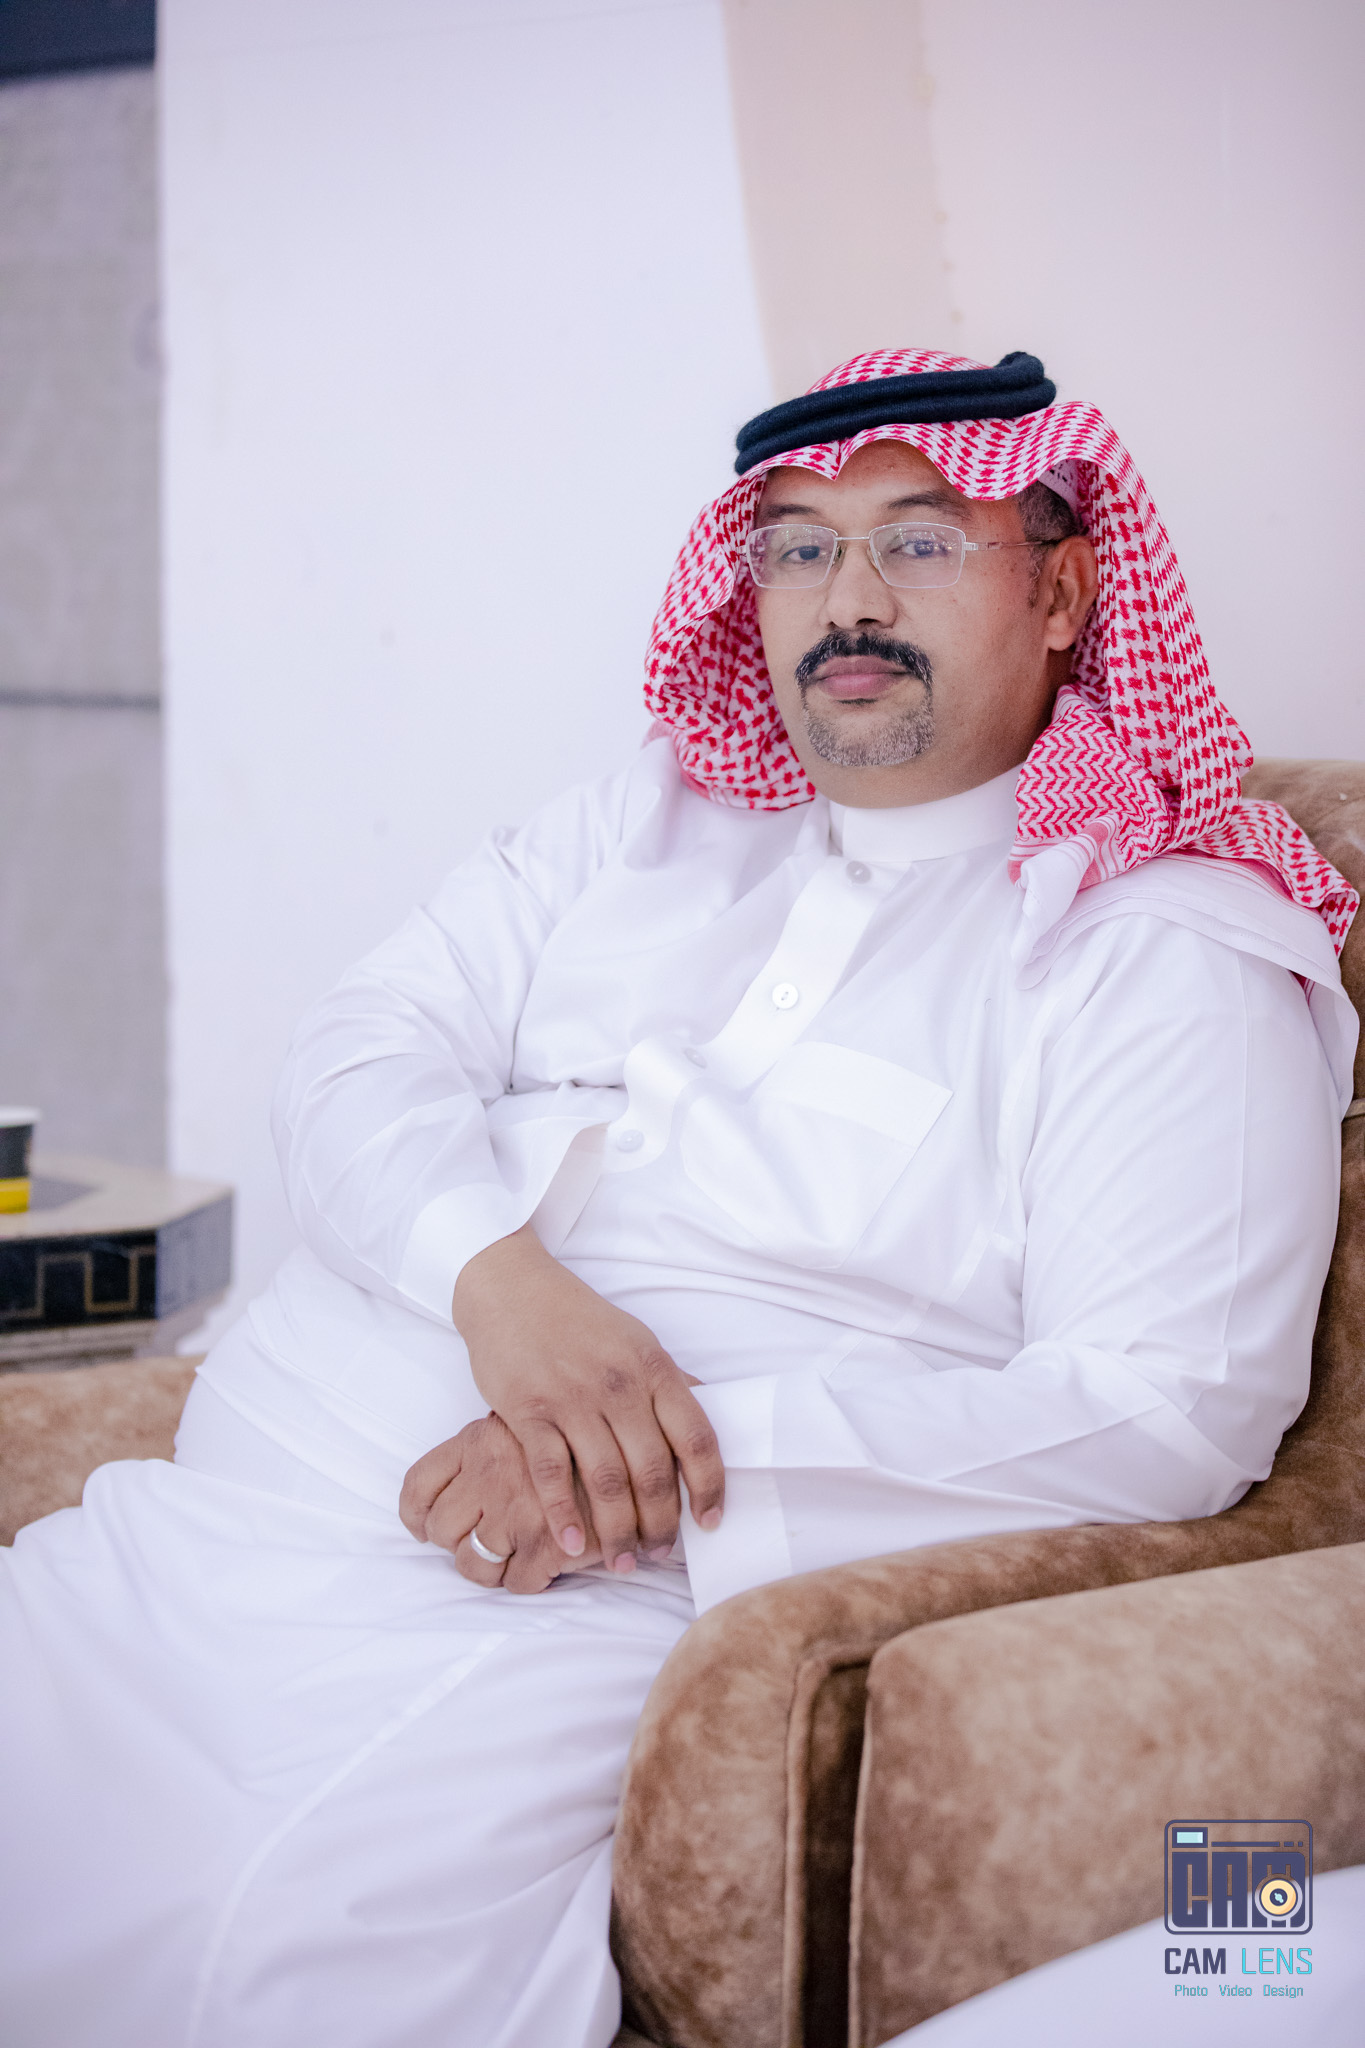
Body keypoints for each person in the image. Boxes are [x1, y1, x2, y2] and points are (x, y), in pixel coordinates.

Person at [0, 348, 1356, 2048]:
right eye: (797, 547)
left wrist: (648, 1460)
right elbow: (357, 1048)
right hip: (185, 1542)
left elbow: (1168, 1407)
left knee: (257, 1956)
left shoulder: (1161, 957)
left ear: (1070, 592)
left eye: (918, 541)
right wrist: (503, 1292)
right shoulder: (643, 820)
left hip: (513, 1619)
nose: (846, 600)